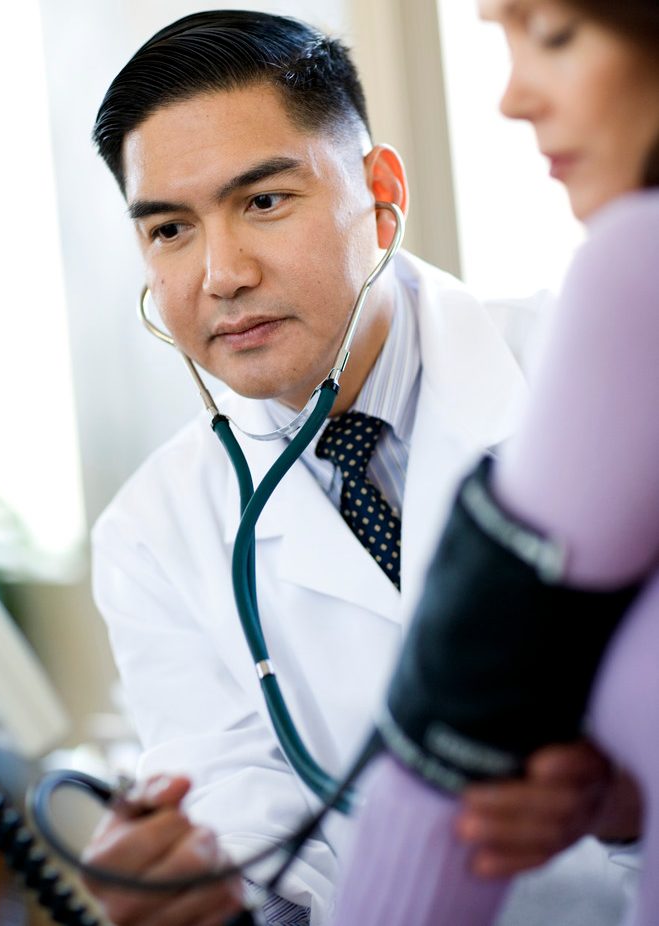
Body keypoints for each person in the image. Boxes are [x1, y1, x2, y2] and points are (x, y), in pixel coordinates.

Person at [84, 10, 629, 926]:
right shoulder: (150, 536)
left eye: (263, 201)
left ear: (378, 192)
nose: (221, 273)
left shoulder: (593, 374)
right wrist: (199, 891)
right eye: (170, 229)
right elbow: (253, 845)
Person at [331, 1, 659, 924]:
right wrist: (625, 802)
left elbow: (452, 753)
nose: (512, 97)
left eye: (553, 34)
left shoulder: (634, 272)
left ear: (379, 195)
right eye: (164, 230)